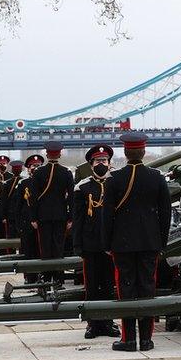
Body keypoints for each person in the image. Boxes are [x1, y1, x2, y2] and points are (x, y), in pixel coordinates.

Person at [102, 133, 171, 352]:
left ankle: (129, 339)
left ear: (125, 152)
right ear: (143, 152)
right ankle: (147, 340)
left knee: (126, 289)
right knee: (147, 288)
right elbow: (165, 214)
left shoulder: (114, 179)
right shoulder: (157, 178)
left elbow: (106, 215)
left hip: (122, 243)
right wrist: (161, 241)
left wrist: (107, 243)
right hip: (150, 242)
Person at [73, 144, 120, 339]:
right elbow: (77, 219)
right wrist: (77, 245)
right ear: (91, 164)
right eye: (98, 161)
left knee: (109, 286)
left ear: (109, 164)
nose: (101, 164)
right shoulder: (82, 187)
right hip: (90, 244)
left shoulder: (116, 184)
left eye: (104, 161)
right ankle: (93, 324)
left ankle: (108, 323)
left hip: (110, 245)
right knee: (91, 286)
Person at [30, 142, 74, 286]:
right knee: (58, 248)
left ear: (47, 155)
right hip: (60, 215)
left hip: (43, 216)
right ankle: (58, 279)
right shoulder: (66, 172)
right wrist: (70, 217)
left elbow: (33, 197)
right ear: (59, 154)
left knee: (45, 248)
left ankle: (47, 278)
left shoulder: (38, 172)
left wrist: (33, 217)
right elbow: (71, 197)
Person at [14, 155, 44, 283]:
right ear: (28, 168)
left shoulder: (46, 182)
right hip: (27, 223)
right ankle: (30, 278)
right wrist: (19, 225)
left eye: (38, 166)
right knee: (29, 251)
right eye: (33, 166)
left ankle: (42, 277)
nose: (36, 168)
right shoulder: (23, 183)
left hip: (42, 222)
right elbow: (18, 206)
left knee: (42, 252)